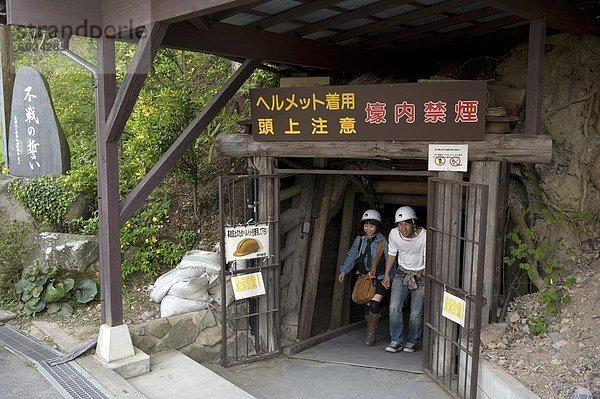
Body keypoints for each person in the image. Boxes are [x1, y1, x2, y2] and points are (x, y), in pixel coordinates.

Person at [338, 209, 388, 346]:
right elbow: (352, 256)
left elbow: (391, 262)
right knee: (367, 304)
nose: (368, 229)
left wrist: (389, 278)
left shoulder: (384, 243)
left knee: (374, 303)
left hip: (380, 279)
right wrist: (344, 271)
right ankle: (371, 326)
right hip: (364, 279)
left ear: (377, 226)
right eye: (366, 225)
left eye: (371, 226)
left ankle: (371, 334)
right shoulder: (359, 240)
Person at [382, 206, 426, 353]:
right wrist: (387, 274)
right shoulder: (394, 234)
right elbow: (392, 254)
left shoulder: (424, 236)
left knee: (415, 313)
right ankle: (396, 340)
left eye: (406, 223)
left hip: (420, 275)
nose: (403, 228)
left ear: (414, 223)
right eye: (400, 224)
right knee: (394, 306)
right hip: (401, 273)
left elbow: (428, 258)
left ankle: (412, 341)